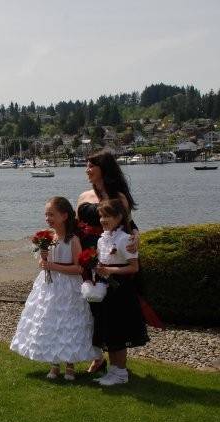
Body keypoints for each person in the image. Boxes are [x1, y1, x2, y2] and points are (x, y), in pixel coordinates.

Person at [10, 197, 101, 380]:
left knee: (67, 323)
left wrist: (53, 266)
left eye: (51, 214)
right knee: (50, 321)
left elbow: (78, 268)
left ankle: (70, 365)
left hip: (69, 287)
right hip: (49, 286)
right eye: (46, 214)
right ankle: (54, 364)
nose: (47, 218)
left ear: (64, 216)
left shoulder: (72, 239)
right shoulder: (49, 237)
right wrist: (43, 260)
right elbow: (43, 263)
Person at [76, 150, 139, 373]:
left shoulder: (118, 197)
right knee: (89, 309)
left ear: (103, 169)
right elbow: (74, 227)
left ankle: (117, 367)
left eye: (91, 166)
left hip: (109, 256)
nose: (87, 170)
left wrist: (136, 239)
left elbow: (130, 227)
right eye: (86, 165)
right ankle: (98, 356)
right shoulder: (83, 196)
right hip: (85, 255)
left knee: (110, 311)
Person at [91, 198, 149, 386]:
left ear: (118, 217)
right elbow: (104, 262)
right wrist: (98, 269)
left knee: (119, 332)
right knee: (109, 331)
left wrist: (110, 271)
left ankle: (121, 373)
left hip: (121, 291)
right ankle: (113, 371)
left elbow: (134, 267)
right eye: (101, 216)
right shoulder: (103, 239)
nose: (103, 220)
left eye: (107, 216)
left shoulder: (125, 239)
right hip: (106, 289)